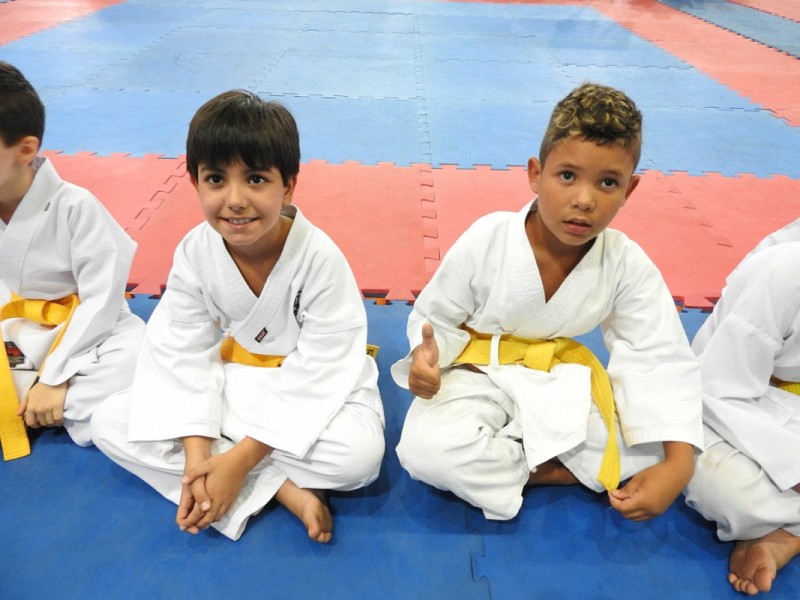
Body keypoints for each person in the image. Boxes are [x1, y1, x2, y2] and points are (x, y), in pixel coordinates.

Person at [391, 82, 703, 522]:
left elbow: (657, 353)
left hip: (558, 381)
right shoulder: (489, 237)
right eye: (568, 176)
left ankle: (514, 459)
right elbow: (435, 317)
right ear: (536, 174)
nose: (584, 200)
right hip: (477, 375)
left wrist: (678, 463)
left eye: (608, 182)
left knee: (660, 449)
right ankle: (549, 469)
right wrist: (426, 360)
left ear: (630, 189)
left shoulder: (625, 262)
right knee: (426, 452)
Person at [91, 90, 385, 542]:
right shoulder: (196, 251)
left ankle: (239, 469)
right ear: (194, 183)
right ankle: (282, 489)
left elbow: (324, 368)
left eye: (255, 179)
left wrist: (240, 457)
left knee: (358, 458)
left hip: (313, 388)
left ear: (288, 186)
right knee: (108, 421)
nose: (235, 200)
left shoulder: (320, 259)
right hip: (240, 381)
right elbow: (180, 350)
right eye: (215, 179)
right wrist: (197, 459)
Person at [0, 61, 144, 461]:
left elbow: (102, 301)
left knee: (138, 359)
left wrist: (56, 376)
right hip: (18, 335)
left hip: (91, 333)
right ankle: (43, 406)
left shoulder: (76, 206)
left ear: (25, 149)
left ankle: (39, 402)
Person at [684, 240, 800, 595]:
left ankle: (781, 530)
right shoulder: (784, 270)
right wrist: (793, 466)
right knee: (723, 487)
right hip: (737, 408)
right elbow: (718, 389)